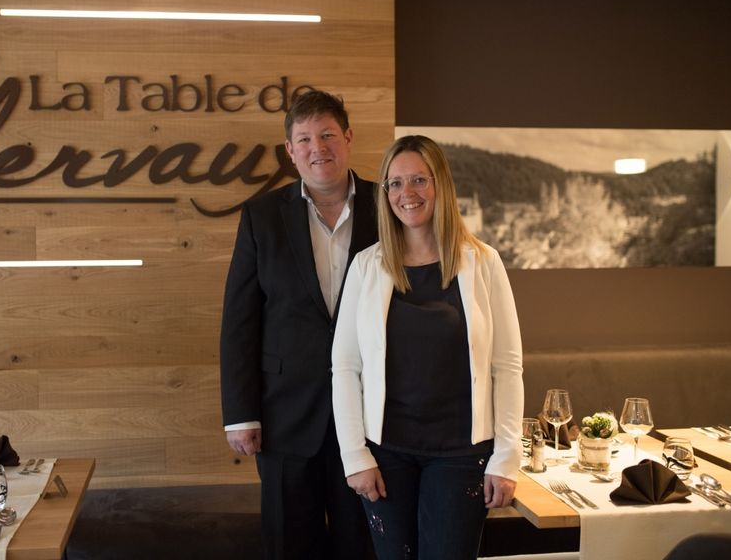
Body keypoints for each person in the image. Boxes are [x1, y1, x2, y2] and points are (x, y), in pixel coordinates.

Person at [331, 134, 523, 560]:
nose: (407, 193)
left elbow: (508, 367)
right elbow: (344, 368)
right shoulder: (366, 266)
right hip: (385, 452)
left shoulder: (484, 262)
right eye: (395, 183)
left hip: (462, 455)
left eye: (419, 179)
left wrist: (507, 458)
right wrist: (354, 455)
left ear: (441, 185)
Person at [220, 90, 378, 559]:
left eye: (327, 135)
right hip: (284, 419)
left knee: (363, 545)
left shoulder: (388, 205)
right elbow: (240, 321)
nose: (317, 148)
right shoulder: (262, 216)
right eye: (305, 139)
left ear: (347, 138)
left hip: (372, 417)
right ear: (290, 150)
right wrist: (241, 414)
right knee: (290, 546)